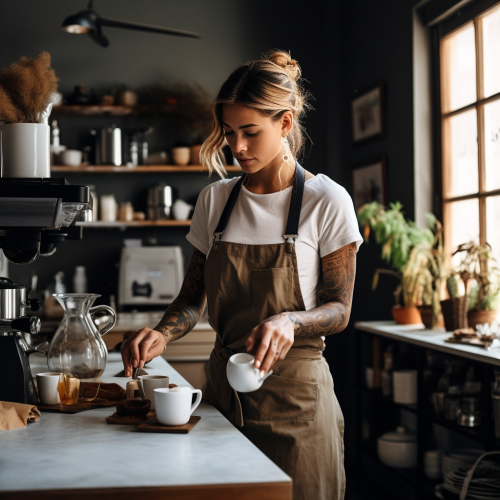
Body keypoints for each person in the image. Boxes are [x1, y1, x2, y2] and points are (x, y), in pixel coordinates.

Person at [120, 50, 363, 500]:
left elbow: (340, 309)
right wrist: (161, 334)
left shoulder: (327, 200)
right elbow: (193, 298)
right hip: (221, 399)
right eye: (230, 133)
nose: (237, 147)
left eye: (251, 132)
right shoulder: (215, 201)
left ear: (285, 124)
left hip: (298, 405)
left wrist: (291, 320)